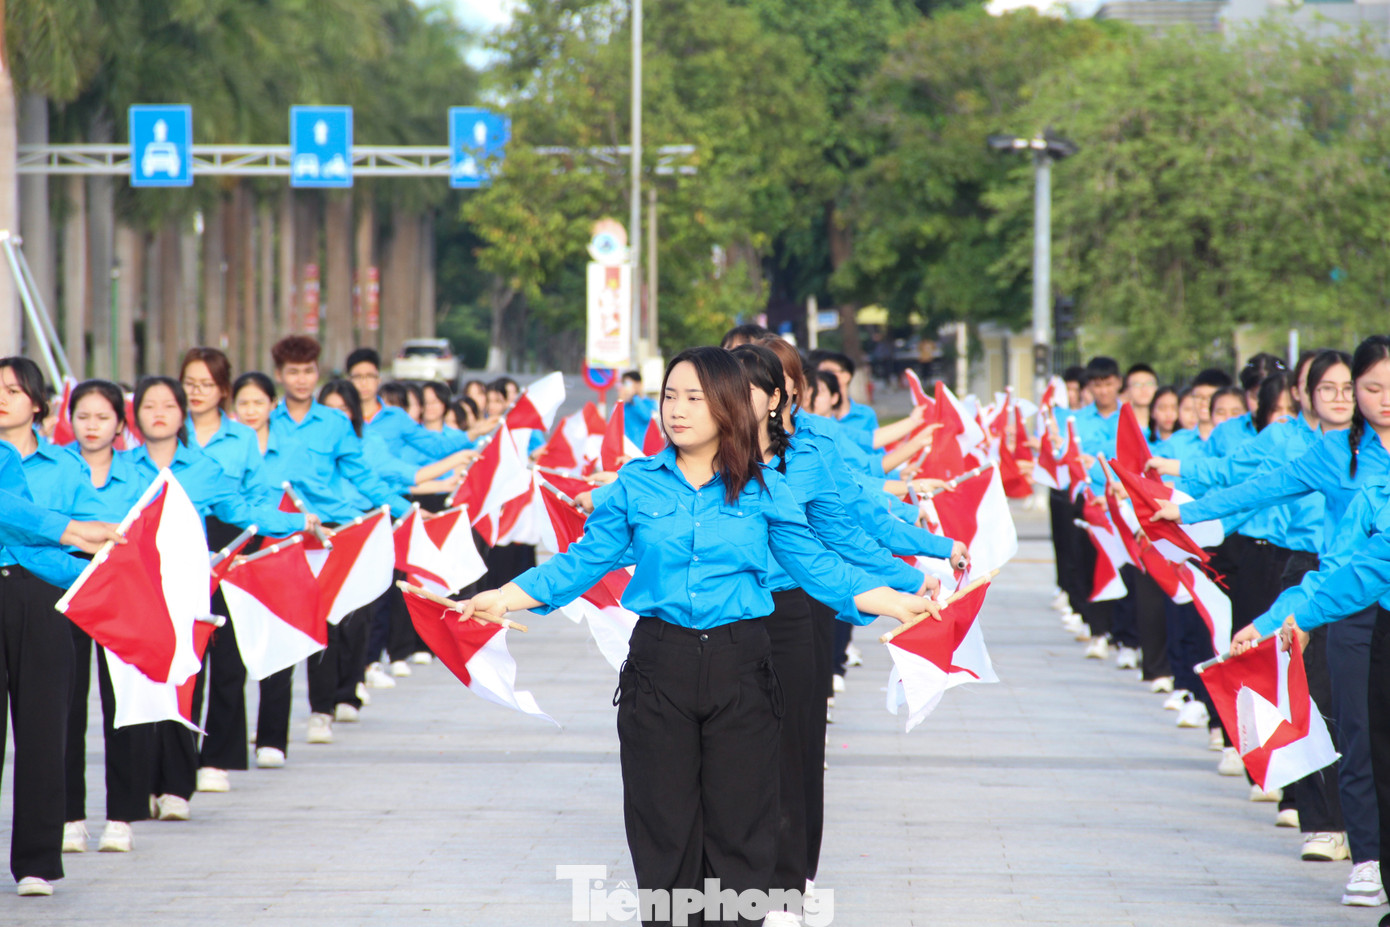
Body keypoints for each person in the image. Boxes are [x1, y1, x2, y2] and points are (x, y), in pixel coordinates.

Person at [460, 347, 938, 927]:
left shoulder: (763, 487)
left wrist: (900, 604)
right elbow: (582, 562)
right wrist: (502, 596)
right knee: (662, 829)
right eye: (670, 395)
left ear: (729, 406)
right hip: (660, 667)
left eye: (695, 397)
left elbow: (821, 568)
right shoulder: (637, 485)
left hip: (743, 669)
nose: (677, 410)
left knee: (741, 832)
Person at [1155, 335, 1390, 907]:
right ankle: (1366, 858)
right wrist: (1188, 512)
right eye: (1372, 388)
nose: (1382, 399)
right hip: (1346, 599)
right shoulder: (1336, 454)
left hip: (1341, 588)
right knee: (1356, 733)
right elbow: (1260, 485)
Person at [267, 336, 410, 744]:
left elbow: (363, 476)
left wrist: (405, 510)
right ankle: (275, 729)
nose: (300, 379)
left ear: (318, 372)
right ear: (280, 375)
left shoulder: (334, 423)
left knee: (327, 620)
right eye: (292, 371)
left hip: (331, 531)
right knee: (285, 626)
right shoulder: (264, 422)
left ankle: (321, 709)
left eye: (308, 370)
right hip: (281, 530)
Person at [0, 358, 107, 896]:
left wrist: (79, 543)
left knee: (45, 730)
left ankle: (38, 862)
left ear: (38, 402)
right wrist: (62, 533)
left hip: (44, 600)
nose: (3, 397)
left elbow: (100, 534)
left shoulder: (67, 467)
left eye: (14, 390)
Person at [619, 371, 657, 448]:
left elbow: (647, 416)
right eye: (625, 384)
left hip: (644, 451)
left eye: (629, 384)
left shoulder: (650, 403)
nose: (627, 387)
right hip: (626, 450)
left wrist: (634, 396)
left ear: (638, 384)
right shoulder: (625, 405)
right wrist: (621, 400)